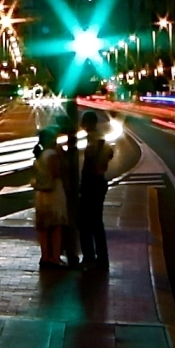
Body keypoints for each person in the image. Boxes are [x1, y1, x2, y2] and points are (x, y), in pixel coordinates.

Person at [74, 109, 114, 267]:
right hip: (98, 181)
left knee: (86, 222)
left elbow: (93, 159)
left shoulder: (94, 139)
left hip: (92, 182)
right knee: (95, 221)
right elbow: (110, 153)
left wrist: (96, 167)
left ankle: (92, 257)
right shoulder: (100, 137)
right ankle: (100, 257)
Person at [29, 127, 69, 268]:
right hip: (53, 193)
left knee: (44, 228)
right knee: (56, 226)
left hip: (41, 193)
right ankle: (55, 258)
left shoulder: (39, 155)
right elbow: (57, 173)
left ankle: (45, 256)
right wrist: (62, 158)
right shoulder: (52, 154)